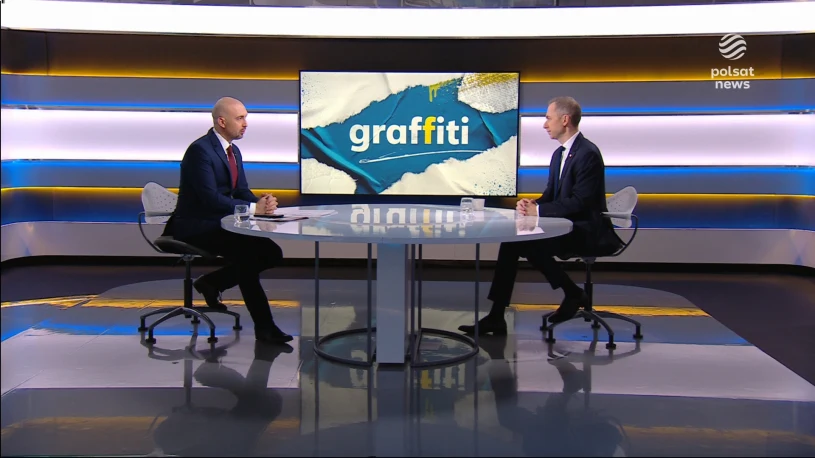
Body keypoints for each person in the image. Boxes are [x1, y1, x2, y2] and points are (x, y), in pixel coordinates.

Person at [459, 96, 622, 335]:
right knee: (512, 242)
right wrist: (533, 203)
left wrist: (540, 211)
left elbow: (581, 201)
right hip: (567, 225)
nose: (545, 125)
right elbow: (552, 194)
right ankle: (497, 315)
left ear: (565, 120)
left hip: (586, 230)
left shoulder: (588, 153)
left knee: (527, 243)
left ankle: (572, 293)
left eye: (548, 118)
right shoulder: (559, 154)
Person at [163, 96, 292, 344]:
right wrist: (253, 209)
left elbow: (240, 190)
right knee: (249, 256)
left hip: (221, 223)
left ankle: (212, 282)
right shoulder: (200, 151)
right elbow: (210, 198)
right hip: (195, 226)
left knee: (271, 253)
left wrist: (262, 204)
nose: (246, 124)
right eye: (240, 118)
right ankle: (264, 327)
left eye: (246, 118)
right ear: (222, 122)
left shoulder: (234, 151)